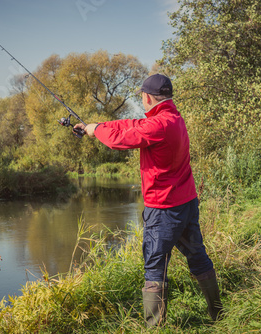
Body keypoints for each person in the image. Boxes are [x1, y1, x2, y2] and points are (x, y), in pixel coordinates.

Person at [74, 74, 223, 326]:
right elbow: (131, 124)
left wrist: (95, 130)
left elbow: (120, 140)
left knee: (154, 269)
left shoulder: (158, 126)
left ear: (146, 97)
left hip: (163, 210)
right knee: (197, 256)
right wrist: (97, 125)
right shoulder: (173, 118)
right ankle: (218, 315)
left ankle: (155, 327)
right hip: (186, 204)